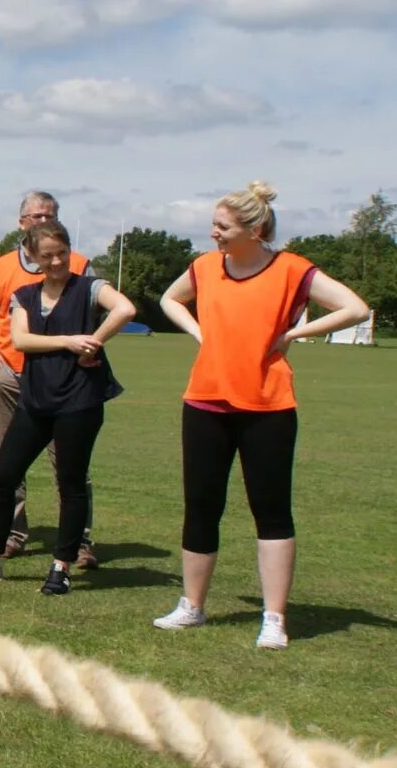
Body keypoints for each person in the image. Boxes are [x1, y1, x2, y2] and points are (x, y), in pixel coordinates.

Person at [153, 182, 369, 650]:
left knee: (270, 511)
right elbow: (171, 299)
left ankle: (273, 618)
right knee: (201, 506)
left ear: (255, 229)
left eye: (223, 227)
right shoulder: (205, 267)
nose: (214, 234)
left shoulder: (293, 270)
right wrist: (199, 332)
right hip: (204, 402)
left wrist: (296, 331)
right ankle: (192, 606)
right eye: (214, 224)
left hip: (268, 407)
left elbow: (355, 308)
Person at [0, 221, 133, 594]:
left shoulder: (90, 287)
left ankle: (61, 567)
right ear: (32, 257)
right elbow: (20, 339)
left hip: (79, 401)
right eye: (47, 256)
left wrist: (93, 342)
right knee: (4, 476)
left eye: (62, 252)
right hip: (36, 400)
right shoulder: (25, 296)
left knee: (70, 481)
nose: (57, 261)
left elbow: (125, 309)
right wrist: (70, 341)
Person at [0, 190, 102, 567]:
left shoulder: (80, 264)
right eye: (34, 216)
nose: (41, 221)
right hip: (13, 376)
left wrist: (90, 348)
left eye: (48, 215)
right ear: (21, 224)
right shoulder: (0, 267)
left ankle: (78, 543)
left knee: (70, 467)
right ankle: (10, 536)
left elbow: (98, 310)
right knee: (7, 465)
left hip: (65, 383)